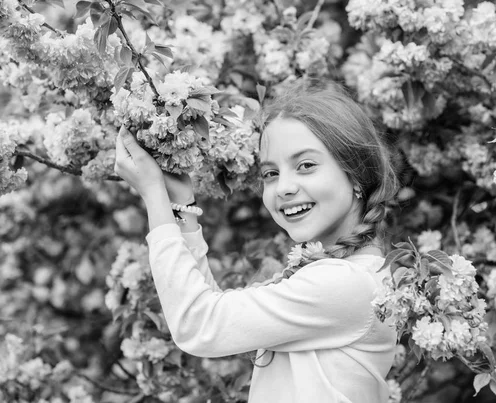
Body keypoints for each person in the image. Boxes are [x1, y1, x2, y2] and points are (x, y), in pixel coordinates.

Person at [114, 78, 400, 403]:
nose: (284, 188)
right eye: (270, 174)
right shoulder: (348, 275)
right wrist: (180, 207)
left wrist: (154, 195)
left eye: (306, 166)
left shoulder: (348, 284)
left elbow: (199, 323)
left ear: (357, 176)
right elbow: (212, 311)